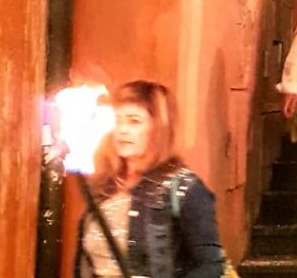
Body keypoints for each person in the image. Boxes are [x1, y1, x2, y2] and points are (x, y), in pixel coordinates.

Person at [75, 80, 225, 277]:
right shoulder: (103, 187)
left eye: (134, 121)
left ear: (158, 128)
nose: (122, 130)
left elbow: (211, 265)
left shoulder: (185, 189)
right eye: (117, 120)